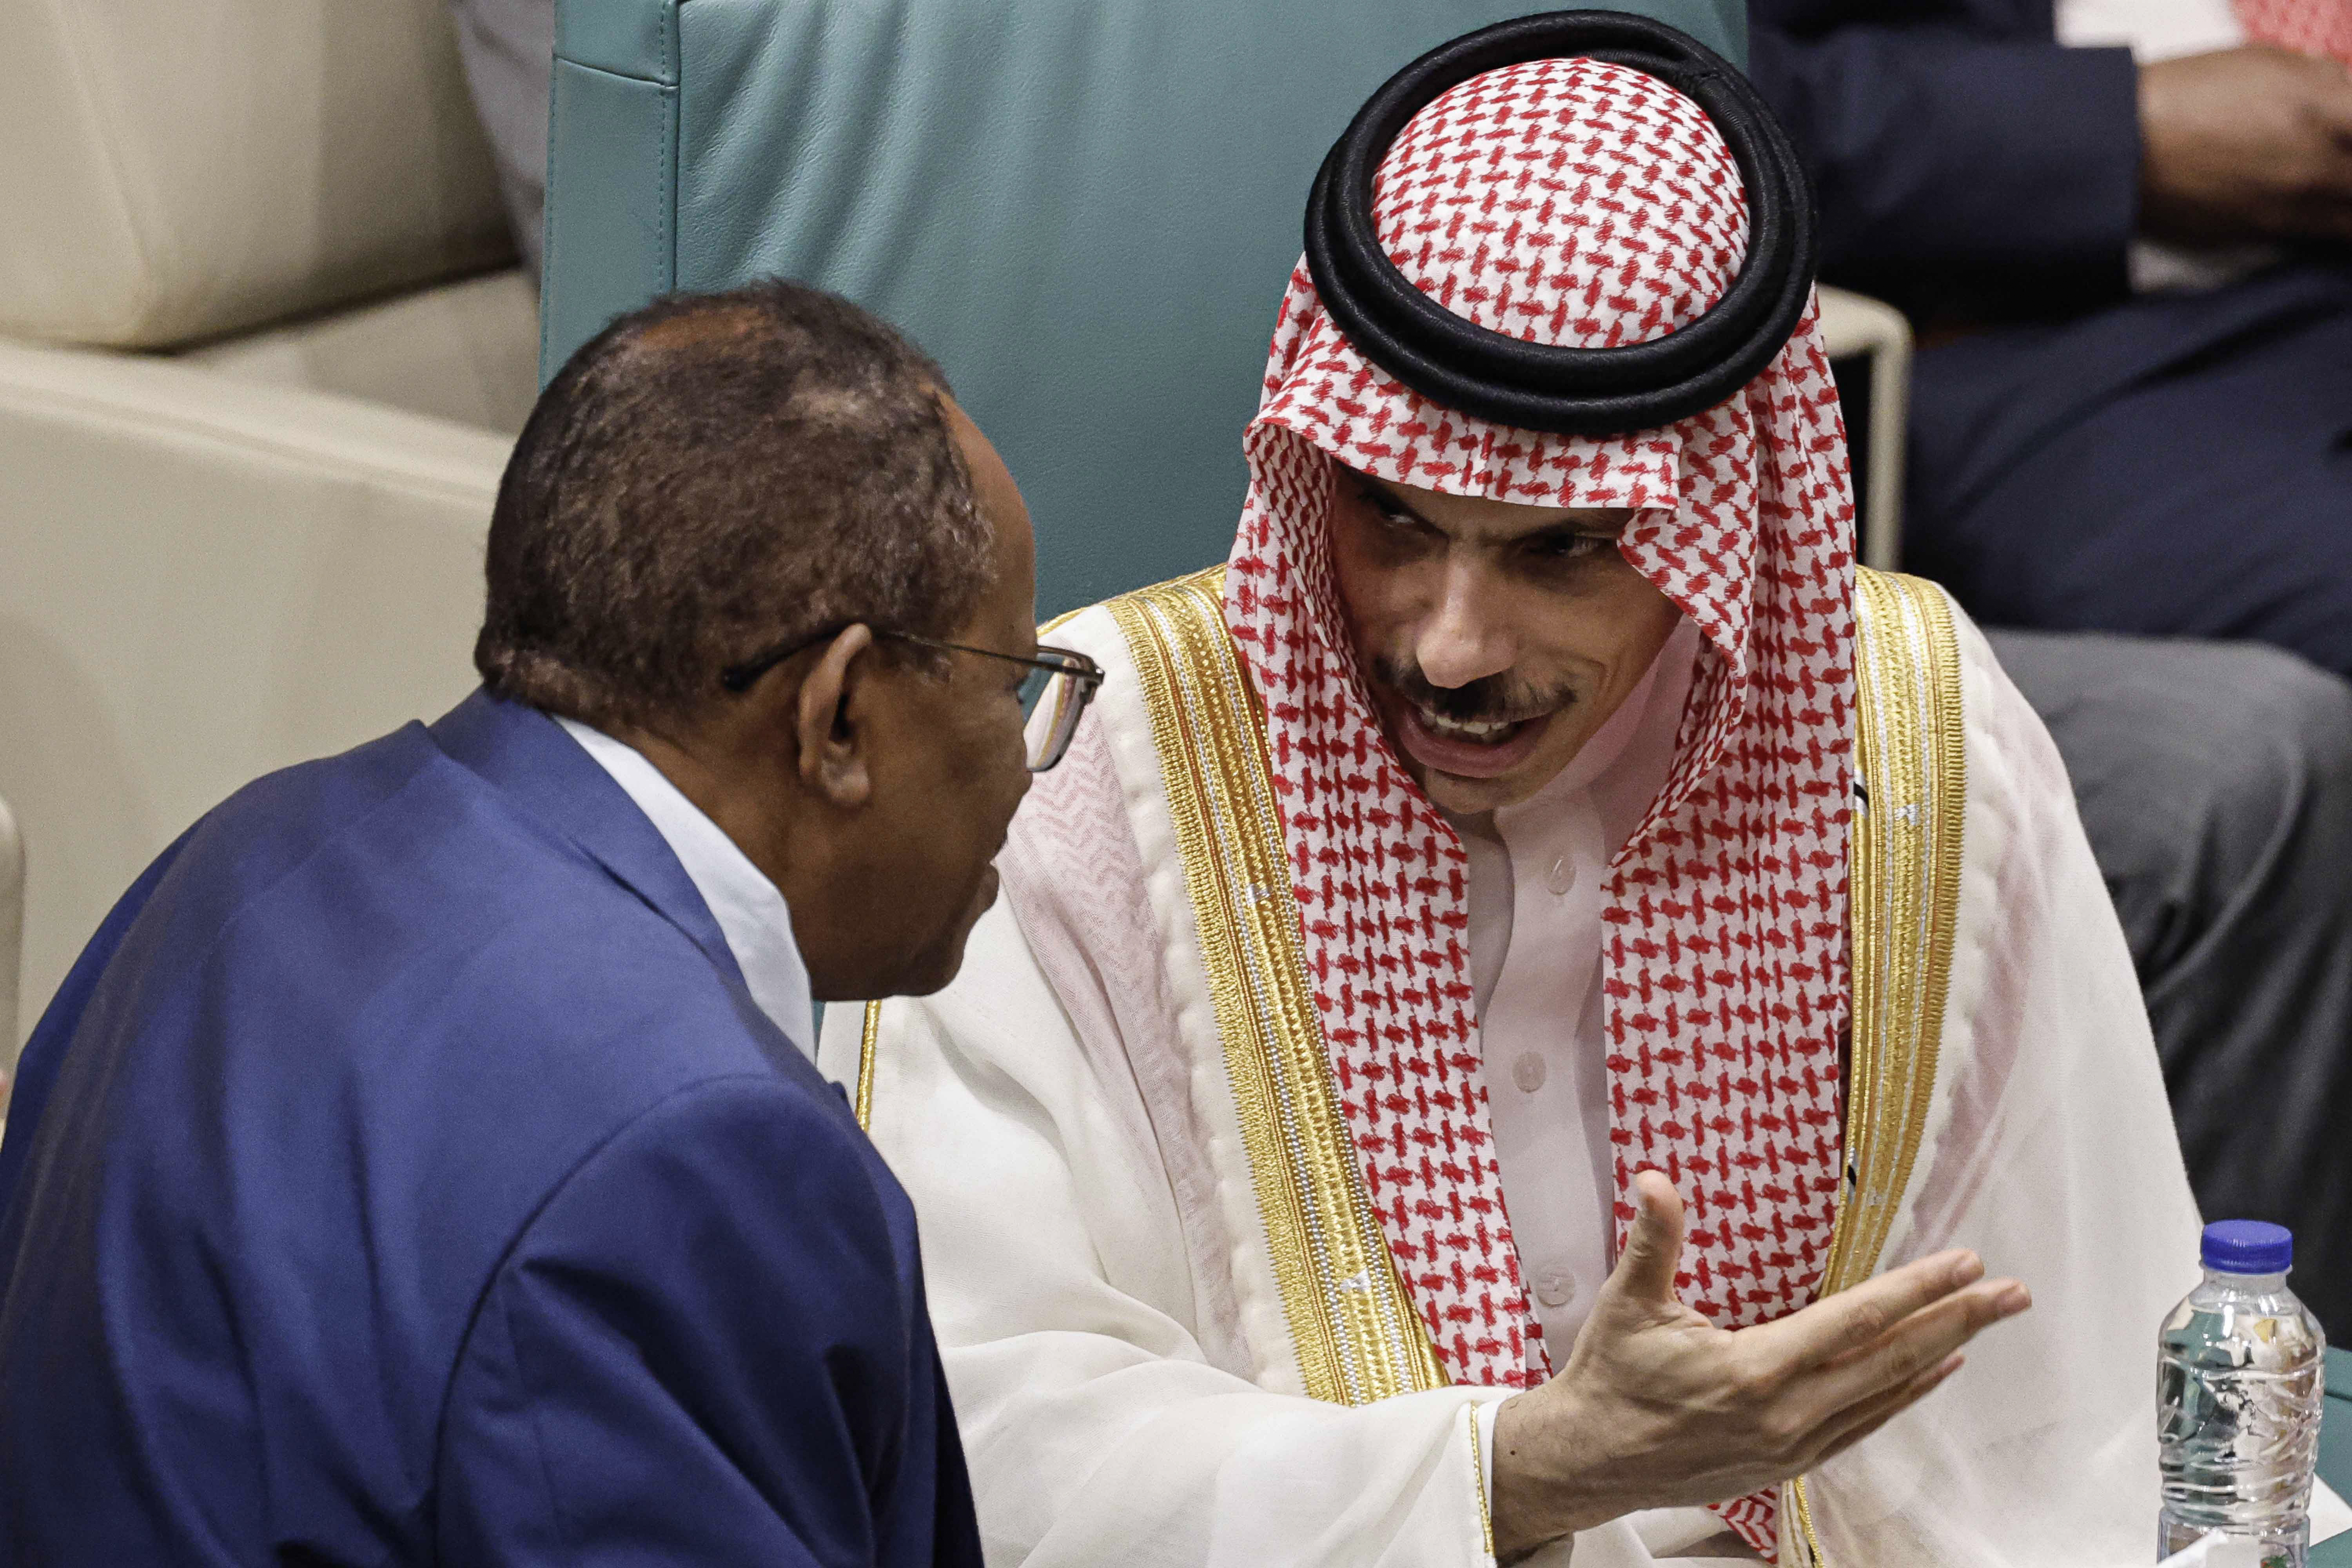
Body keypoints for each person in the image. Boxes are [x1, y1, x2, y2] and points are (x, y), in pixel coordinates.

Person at [823, 18, 2249, 1565]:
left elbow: (2077, 1413)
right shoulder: (1087, 778)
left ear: (1725, 515)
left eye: (1560, 547)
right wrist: (1507, 1475)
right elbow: (990, 1448)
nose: (1448, 644)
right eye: (1395, 517)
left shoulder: (1904, 740)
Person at [0, 280, 1087, 1563]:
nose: (1024, 766)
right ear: (839, 715)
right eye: (1013, 686)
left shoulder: (240, 856)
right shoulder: (699, 1149)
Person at [1750, 0, 2352, 1340]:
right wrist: (2117, 132)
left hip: (2318, 307)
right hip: (2045, 331)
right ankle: (2248, 1415)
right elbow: (1691, 86)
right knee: (2264, 752)